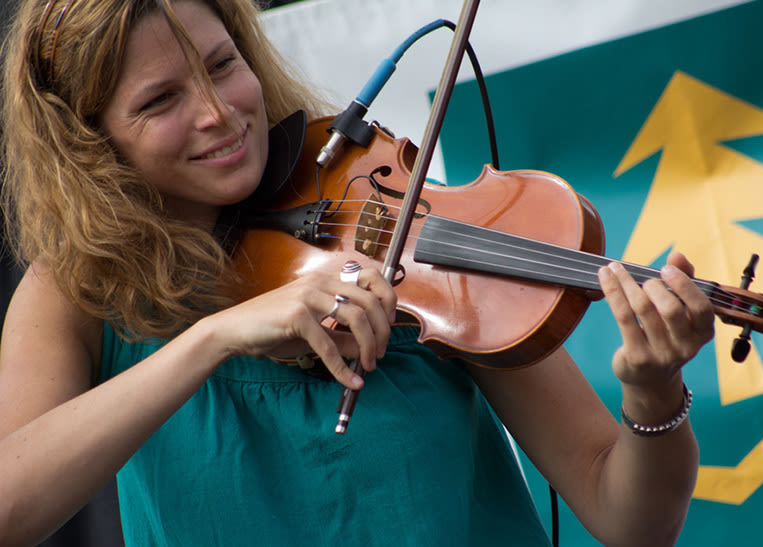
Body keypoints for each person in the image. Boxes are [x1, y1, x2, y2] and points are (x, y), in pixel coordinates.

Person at [0, 0, 715, 545]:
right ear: (88, 140)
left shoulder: (389, 214)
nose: (218, 114)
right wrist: (213, 337)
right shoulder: (78, 290)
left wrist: (653, 391)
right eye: (161, 100)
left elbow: (628, 517)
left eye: (222, 66)